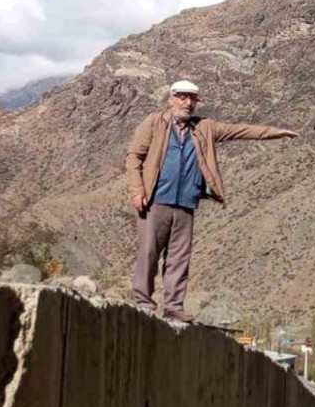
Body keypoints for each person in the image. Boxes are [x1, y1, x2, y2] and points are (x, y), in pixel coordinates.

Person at [126, 79, 298, 322]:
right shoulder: (154, 122)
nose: (188, 103)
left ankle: (173, 306)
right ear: (171, 98)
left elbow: (240, 130)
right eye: (183, 97)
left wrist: (275, 133)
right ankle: (143, 301)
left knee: (179, 258)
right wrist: (137, 190)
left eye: (192, 99)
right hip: (156, 200)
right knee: (149, 252)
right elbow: (134, 157)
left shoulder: (204, 127)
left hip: (186, 204)